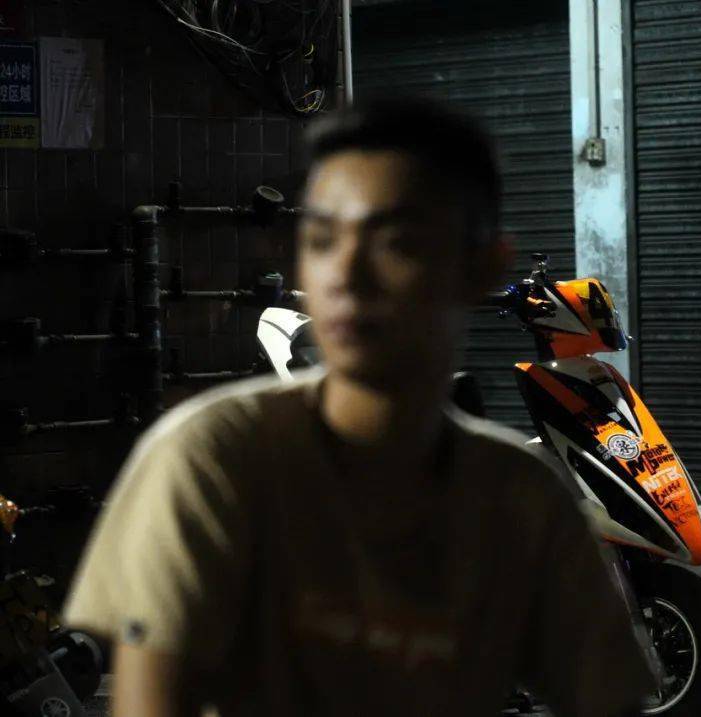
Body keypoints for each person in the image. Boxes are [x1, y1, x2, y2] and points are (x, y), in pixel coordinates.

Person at [62, 95, 655, 716]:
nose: (345, 274)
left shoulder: (523, 498)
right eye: (323, 239)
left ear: (482, 268)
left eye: (395, 241)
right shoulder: (209, 460)